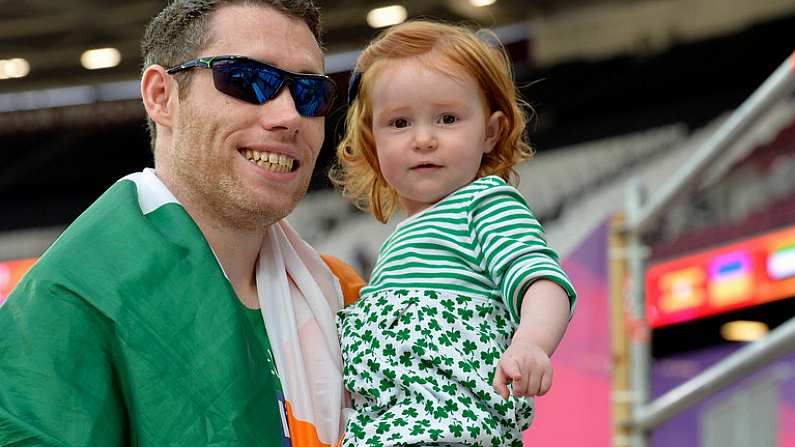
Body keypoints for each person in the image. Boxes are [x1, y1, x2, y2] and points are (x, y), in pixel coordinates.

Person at [0, 1, 364, 446]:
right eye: (248, 79)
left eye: (311, 93)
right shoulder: (73, 301)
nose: (289, 116)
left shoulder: (341, 294)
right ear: (161, 96)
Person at [329, 20, 577, 446]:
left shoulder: (484, 203)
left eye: (447, 118)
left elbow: (541, 280)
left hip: (454, 431)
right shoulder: (396, 244)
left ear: (491, 132)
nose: (424, 139)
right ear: (373, 141)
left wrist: (531, 344)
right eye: (400, 123)